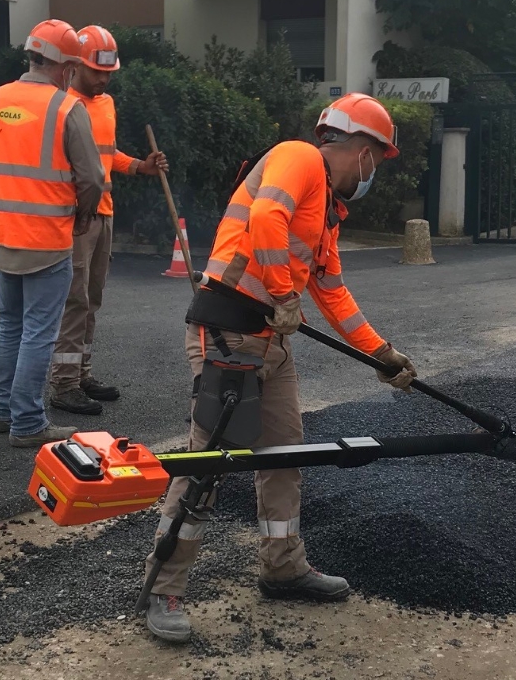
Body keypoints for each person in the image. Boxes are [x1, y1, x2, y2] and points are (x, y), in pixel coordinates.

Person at [141, 93, 419, 643]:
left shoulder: (327, 215)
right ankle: (163, 588)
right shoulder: (298, 156)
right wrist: (283, 292)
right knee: (208, 464)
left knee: (286, 454)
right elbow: (267, 215)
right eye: (377, 160)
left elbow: (334, 293)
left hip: (271, 342)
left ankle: (282, 564)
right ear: (361, 148)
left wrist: (381, 354)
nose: (373, 174)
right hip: (227, 335)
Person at [0, 19, 107, 448]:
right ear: (64, 66)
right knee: (39, 331)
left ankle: (3, 413)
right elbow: (93, 179)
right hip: (46, 240)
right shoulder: (66, 108)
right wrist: (81, 215)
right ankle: (27, 423)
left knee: (9, 326)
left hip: (2, 235)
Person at [48, 25, 170, 416]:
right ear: (76, 67)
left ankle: (81, 374)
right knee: (75, 300)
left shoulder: (106, 104)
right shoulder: (62, 104)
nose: (102, 79)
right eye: (96, 72)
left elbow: (107, 153)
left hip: (104, 212)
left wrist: (140, 166)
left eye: (108, 73)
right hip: (76, 215)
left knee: (92, 299)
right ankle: (63, 384)